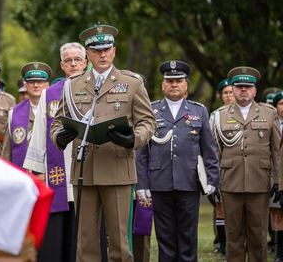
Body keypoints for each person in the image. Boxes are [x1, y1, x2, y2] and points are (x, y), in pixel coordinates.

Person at [50, 23, 156, 262]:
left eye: (107, 49)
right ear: (88, 54)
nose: (103, 54)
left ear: (114, 51)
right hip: (84, 172)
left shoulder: (132, 83)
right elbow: (57, 123)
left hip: (118, 169)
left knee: (120, 244)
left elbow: (148, 122)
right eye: (96, 50)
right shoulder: (72, 84)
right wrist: (59, 136)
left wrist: (134, 139)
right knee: (85, 244)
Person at [135, 60, 220, 262]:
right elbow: (142, 153)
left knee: (188, 237)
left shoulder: (199, 111)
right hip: (159, 183)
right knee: (165, 237)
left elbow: (209, 150)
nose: (174, 84)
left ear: (186, 85)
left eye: (179, 80)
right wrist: (142, 185)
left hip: (188, 183)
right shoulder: (151, 111)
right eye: (170, 81)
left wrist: (212, 180)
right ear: (163, 85)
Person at [23, 43, 86, 262]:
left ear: (85, 62)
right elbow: (39, 134)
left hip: (89, 172)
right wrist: (37, 171)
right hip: (57, 175)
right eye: (68, 60)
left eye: (78, 59)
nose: (73, 64)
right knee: (58, 234)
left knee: (86, 233)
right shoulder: (49, 94)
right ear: (62, 65)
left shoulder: (98, 90)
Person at [213, 66, 281, 261]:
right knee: (233, 235)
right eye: (239, 86)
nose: (243, 90)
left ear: (255, 91)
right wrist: (214, 180)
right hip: (230, 183)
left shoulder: (269, 113)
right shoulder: (220, 115)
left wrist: (278, 181)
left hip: (259, 183)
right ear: (232, 89)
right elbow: (215, 152)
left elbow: (276, 151)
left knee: (258, 235)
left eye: (248, 86)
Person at [2, 62, 51, 167]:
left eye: (40, 82)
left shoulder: (55, 111)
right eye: (32, 82)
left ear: (47, 85)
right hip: (22, 173)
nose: (36, 85)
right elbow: (7, 150)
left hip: (49, 175)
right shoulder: (13, 113)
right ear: (25, 86)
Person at [209, 78, 235, 261]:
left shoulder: (244, 113)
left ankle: (242, 245)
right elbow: (209, 145)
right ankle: (224, 248)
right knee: (221, 210)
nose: (228, 96)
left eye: (231, 92)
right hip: (220, 168)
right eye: (225, 93)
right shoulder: (214, 116)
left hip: (240, 168)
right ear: (220, 96)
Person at [271, 91, 283, 262]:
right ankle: (279, 252)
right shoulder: (271, 123)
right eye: (281, 103)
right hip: (275, 175)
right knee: (278, 214)